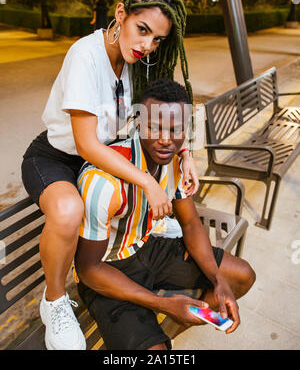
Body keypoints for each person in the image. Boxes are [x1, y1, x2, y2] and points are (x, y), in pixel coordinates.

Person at [21, 0, 199, 350]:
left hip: (105, 156)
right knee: (70, 211)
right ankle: (53, 301)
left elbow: (163, 111)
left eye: (157, 40)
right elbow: (85, 144)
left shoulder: (137, 62)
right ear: (121, 14)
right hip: (58, 157)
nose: (147, 46)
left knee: (154, 159)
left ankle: (145, 231)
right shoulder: (85, 55)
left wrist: (186, 153)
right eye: (142, 30)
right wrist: (148, 184)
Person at [75, 79, 256, 351]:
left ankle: (173, 321)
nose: (165, 140)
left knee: (241, 276)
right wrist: (162, 304)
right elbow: (88, 270)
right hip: (107, 268)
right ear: (138, 122)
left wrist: (218, 280)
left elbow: (191, 223)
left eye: (176, 130)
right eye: (155, 127)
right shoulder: (103, 182)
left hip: (146, 248)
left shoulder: (175, 160)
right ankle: (153, 328)